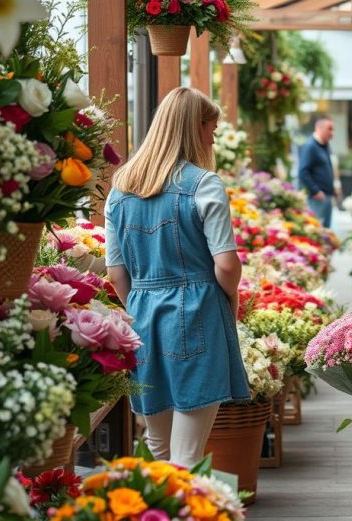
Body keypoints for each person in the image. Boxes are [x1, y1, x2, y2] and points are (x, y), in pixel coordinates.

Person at [104, 87, 250, 467]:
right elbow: (227, 264)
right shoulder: (204, 183)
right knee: (188, 455)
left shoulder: (120, 188)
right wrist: (229, 299)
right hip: (198, 312)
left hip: (143, 318)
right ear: (194, 128)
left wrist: (140, 303)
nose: (214, 137)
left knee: (159, 447)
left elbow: (116, 272)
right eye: (212, 128)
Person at [298, 117, 336, 227]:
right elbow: (303, 172)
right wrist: (315, 191)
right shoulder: (310, 146)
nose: (332, 133)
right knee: (317, 229)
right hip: (317, 198)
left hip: (326, 196)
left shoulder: (325, 146)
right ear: (319, 128)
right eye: (329, 129)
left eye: (332, 129)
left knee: (326, 231)